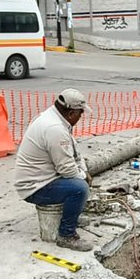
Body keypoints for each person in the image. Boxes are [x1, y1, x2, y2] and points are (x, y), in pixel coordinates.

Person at [14, 89, 94, 252]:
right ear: (72, 112)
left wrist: (84, 171)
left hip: (44, 178)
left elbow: (75, 154)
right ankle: (66, 235)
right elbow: (67, 170)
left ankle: (71, 217)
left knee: (80, 181)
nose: (81, 117)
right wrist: (83, 178)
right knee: (79, 189)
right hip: (34, 187)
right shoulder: (54, 128)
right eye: (80, 113)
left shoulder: (57, 119)